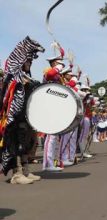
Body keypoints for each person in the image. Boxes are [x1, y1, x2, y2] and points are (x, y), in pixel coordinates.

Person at [0, 36, 44, 183]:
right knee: (15, 143)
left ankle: (25, 171)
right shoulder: (13, 75)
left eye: (31, 61)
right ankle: (16, 174)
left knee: (26, 143)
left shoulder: (27, 78)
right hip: (14, 118)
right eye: (28, 60)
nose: (29, 63)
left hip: (24, 116)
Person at [42, 45, 66, 172]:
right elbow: (50, 74)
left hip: (56, 107)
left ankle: (53, 162)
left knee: (55, 137)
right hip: (49, 107)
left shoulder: (59, 76)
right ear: (53, 63)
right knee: (50, 136)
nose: (61, 65)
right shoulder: (48, 71)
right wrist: (58, 67)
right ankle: (47, 164)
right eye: (59, 62)